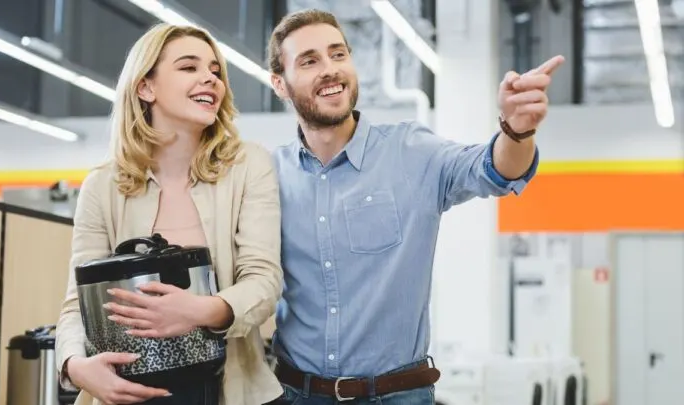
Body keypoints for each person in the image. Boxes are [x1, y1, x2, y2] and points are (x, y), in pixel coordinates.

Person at [265, 9, 564, 405]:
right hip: (296, 393)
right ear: (279, 84)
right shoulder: (268, 176)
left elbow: (492, 170)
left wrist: (517, 129)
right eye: (309, 61)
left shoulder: (412, 152)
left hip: (398, 396)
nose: (330, 70)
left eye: (338, 55)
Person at [55, 23, 284, 405]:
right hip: (127, 391)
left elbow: (263, 282)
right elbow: (77, 305)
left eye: (214, 71)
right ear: (146, 87)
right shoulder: (102, 186)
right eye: (189, 67)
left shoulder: (249, 165)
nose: (209, 79)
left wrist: (197, 311)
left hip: (230, 389)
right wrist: (75, 365)